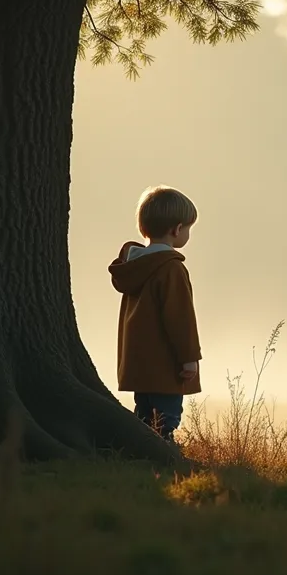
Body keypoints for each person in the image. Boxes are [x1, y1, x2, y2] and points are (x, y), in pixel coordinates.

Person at [108, 185, 203, 444]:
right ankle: (164, 454)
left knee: (144, 415)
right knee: (165, 419)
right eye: (188, 229)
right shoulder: (170, 269)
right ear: (176, 229)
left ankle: (139, 452)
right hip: (165, 365)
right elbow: (180, 318)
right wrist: (189, 358)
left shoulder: (134, 266)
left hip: (139, 364)